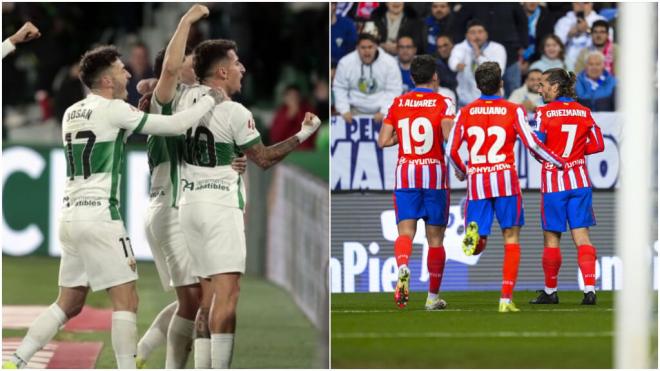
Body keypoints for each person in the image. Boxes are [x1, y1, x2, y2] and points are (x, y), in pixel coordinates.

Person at [2, 45, 226, 370]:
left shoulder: (71, 112)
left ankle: (17, 360)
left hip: (69, 215)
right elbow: (175, 126)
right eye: (122, 69)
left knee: (69, 302)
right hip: (99, 216)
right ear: (107, 80)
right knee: (127, 300)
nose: (128, 74)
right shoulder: (113, 111)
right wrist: (209, 99)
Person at [173, 39, 321, 368]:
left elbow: (152, 84)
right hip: (219, 208)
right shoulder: (234, 111)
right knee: (228, 296)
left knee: (207, 299)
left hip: (189, 204)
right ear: (222, 71)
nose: (243, 69)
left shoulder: (183, 101)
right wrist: (303, 133)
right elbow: (264, 159)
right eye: (237, 63)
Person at [132, 5, 246, 368]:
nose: (194, 65)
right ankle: (158, 360)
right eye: (188, 59)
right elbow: (161, 73)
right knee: (196, 300)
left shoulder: (189, 100)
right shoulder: (170, 100)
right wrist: (187, 20)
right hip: (172, 205)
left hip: (174, 204)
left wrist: (231, 161)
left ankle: (142, 353)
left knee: (197, 298)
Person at [446, 61, 565, 312]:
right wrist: (557, 162)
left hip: (478, 181)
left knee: (480, 241)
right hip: (505, 182)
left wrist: (464, 171)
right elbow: (532, 144)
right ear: (501, 84)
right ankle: (505, 299)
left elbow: (451, 150)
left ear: (478, 86)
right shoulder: (514, 110)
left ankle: (474, 236)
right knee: (511, 238)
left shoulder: (465, 112)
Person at [377, 54, 455, 310]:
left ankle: (402, 267)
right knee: (435, 240)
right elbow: (447, 137)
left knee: (406, 233)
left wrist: (404, 137)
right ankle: (432, 298)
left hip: (407, 173)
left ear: (411, 78)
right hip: (434, 174)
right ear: (435, 77)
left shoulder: (398, 103)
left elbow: (383, 141)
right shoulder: (444, 101)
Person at [530, 67, 604, 305]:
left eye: (543, 85)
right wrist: (576, 153)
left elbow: (538, 147)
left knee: (552, 238)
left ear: (555, 86)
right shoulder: (584, 112)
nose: (539, 89)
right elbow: (599, 144)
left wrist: (556, 155)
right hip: (579, 181)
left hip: (554, 183)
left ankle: (550, 291)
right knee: (582, 238)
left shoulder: (544, 113)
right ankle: (589, 290)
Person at [451, 3, 528, 97]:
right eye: (473, 32)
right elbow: (459, 22)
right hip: (479, 48)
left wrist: (522, 45)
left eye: (479, 32)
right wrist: (464, 43)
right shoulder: (471, 3)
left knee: (513, 91)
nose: (477, 34)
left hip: (510, 51)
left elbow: (522, 22)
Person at [333, 32, 402, 124]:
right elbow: (340, 87)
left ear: (376, 46)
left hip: (381, 111)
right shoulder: (345, 63)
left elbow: (394, 90)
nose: (367, 51)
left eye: (370, 47)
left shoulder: (390, 63)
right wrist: (344, 110)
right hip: (353, 111)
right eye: (363, 47)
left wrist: (385, 111)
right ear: (357, 48)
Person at [449, 19, 506, 107]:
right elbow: (453, 64)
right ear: (466, 35)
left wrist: (478, 54)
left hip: (493, 101)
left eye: (480, 32)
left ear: (486, 34)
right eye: (472, 32)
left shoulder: (497, 48)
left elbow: (498, 71)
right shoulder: (460, 47)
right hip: (466, 102)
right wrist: (458, 66)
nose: (477, 36)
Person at [553, 2, 606, 71]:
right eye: (577, 3)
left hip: (593, 64)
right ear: (572, 4)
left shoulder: (601, 20)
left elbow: (607, 44)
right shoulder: (563, 21)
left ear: (592, 4)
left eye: (585, 3)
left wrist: (588, 30)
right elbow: (554, 46)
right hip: (567, 65)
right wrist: (570, 34)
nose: (581, 6)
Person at [270, 84, 317, 149]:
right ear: (285, 98)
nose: (293, 99)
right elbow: (275, 137)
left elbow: (310, 136)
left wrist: (298, 114)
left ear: (300, 98)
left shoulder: (308, 111)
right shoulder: (280, 113)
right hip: (285, 151)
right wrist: (289, 118)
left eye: (296, 96)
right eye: (290, 97)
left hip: (304, 151)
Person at [521, 2, 560, 69]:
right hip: (516, 60)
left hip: (538, 60)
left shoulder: (547, 16)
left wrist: (529, 62)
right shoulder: (514, 14)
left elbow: (545, 44)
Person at [331, 2, 358, 67]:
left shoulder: (348, 24)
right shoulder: (316, 25)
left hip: (342, 67)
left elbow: (353, 51)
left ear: (334, 6)